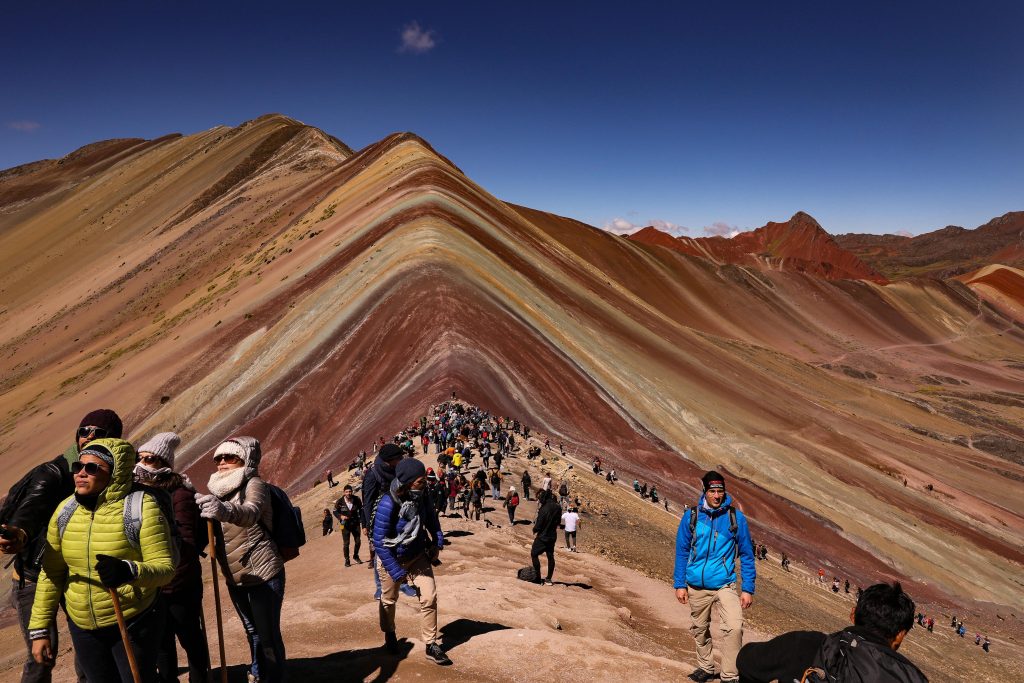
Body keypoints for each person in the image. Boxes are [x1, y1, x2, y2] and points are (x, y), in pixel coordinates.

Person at [29, 438, 175, 682]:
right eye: (78, 466)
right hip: (82, 627)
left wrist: (128, 571)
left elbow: (166, 569)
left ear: (115, 473)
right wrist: (40, 629)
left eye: (92, 468)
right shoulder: (65, 511)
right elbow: (51, 573)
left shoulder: (141, 507)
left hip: (133, 620)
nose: (81, 473)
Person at [2, 408, 121, 683]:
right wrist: (19, 533)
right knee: (42, 655)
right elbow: (32, 506)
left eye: (99, 433)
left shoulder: (110, 476)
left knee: (90, 648)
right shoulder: (54, 473)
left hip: (77, 574)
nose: (89, 437)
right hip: (34, 577)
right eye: (84, 431)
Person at [196, 437, 287, 683]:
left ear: (246, 460)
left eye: (230, 457)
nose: (222, 462)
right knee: (252, 631)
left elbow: (251, 513)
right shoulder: (217, 490)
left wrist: (224, 511)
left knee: (267, 636)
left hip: (263, 573)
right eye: (218, 458)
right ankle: (259, 672)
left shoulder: (255, 484)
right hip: (235, 577)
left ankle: (274, 678)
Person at [736, 582, 928, 683]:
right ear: (900, 634)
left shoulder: (807, 645)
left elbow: (745, 661)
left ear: (853, 614)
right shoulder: (912, 678)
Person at [134, 432, 211, 683]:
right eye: (140, 458)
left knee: (189, 637)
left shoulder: (179, 494)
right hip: (154, 584)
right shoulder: (139, 494)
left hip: (179, 585)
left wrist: (169, 579)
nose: (142, 464)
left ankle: (199, 679)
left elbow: (187, 543)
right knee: (162, 643)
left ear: (164, 464)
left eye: (150, 459)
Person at [673, 471, 755, 683]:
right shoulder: (691, 516)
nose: (717, 496)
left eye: (720, 491)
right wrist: (679, 584)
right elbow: (682, 551)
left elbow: (747, 554)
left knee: (734, 627)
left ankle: (729, 675)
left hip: (724, 584)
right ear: (705, 491)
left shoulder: (735, 518)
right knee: (700, 629)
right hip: (696, 585)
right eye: (712, 491)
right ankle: (706, 667)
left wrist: (747, 588)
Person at [371, 458, 451, 666]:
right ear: (407, 483)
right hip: (392, 558)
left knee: (429, 597)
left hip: (417, 555)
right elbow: (379, 542)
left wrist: (437, 542)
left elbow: (431, 519)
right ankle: (389, 633)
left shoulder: (422, 495)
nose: (424, 483)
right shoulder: (388, 503)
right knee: (389, 600)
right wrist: (397, 572)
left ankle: (431, 644)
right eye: (420, 481)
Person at [361, 444, 417, 599]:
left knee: (400, 549)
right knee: (380, 553)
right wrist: (368, 525)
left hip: (399, 516)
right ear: (389, 460)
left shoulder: (397, 470)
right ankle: (380, 587)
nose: (402, 459)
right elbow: (367, 502)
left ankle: (403, 584)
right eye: (399, 458)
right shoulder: (373, 475)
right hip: (380, 519)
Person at [531, 489, 561, 586]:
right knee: (550, 556)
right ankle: (548, 579)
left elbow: (539, 525)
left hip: (543, 537)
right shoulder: (558, 507)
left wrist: (535, 529)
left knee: (534, 554)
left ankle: (538, 578)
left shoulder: (544, 509)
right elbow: (558, 522)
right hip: (552, 536)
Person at [334, 484, 363, 566]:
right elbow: (334, 511)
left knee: (358, 541)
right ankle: (347, 560)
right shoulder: (339, 501)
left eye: (350, 491)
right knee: (346, 543)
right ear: (344, 492)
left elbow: (361, 510)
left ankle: (356, 556)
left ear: (352, 492)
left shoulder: (357, 499)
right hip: (344, 524)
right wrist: (340, 516)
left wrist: (362, 521)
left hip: (355, 523)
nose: (348, 493)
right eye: (346, 492)